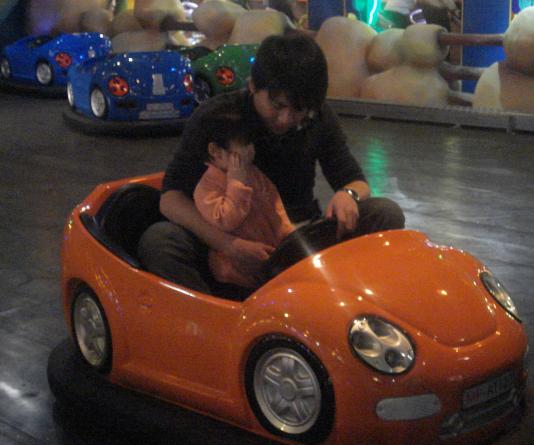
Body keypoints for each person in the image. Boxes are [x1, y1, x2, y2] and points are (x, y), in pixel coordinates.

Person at [138, 31, 405, 295]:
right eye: (277, 105)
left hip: (296, 235)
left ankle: (332, 298)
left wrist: (348, 195)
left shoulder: (318, 117)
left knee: (385, 213)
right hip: (228, 239)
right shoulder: (218, 117)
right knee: (160, 241)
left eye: (298, 110)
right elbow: (170, 198)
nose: (285, 119)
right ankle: (224, 312)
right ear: (253, 85)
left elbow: (354, 179)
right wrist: (229, 245)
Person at [193, 106, 294, 290]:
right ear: (216, 151)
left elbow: (275, 207)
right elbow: (226, 221)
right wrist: (236, 184)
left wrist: (288, 236)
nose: (251, 150)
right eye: (244, 145)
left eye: (251, 144)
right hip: (236, 274)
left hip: (270, 258)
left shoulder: (253, 173)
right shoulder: (206, 187)